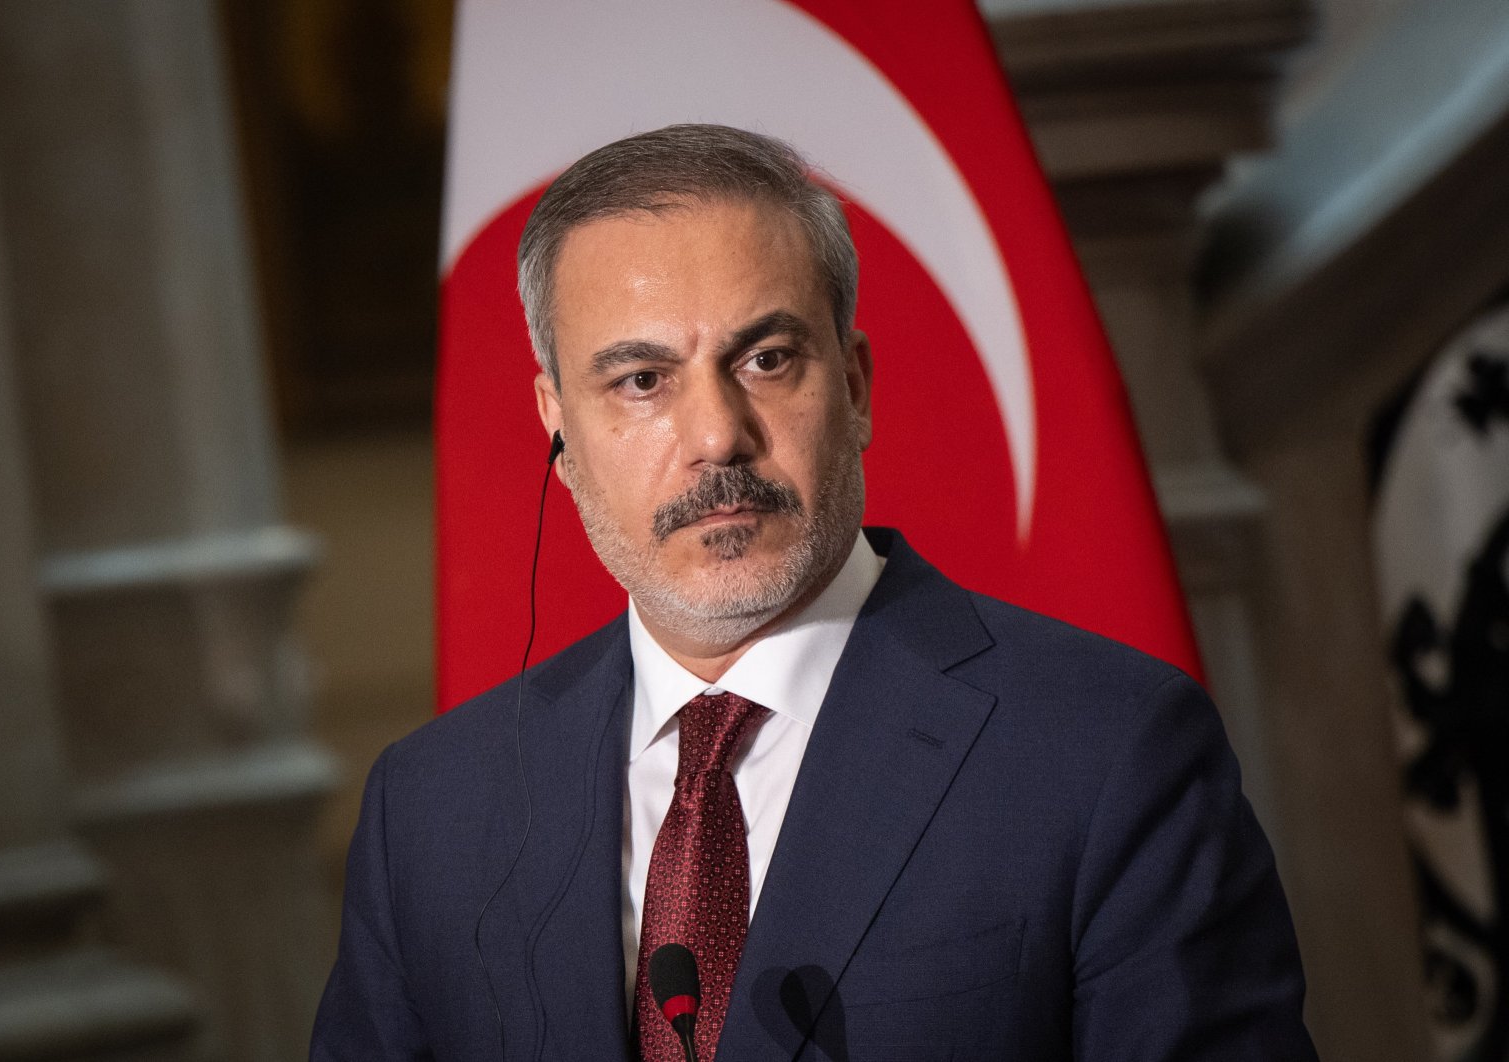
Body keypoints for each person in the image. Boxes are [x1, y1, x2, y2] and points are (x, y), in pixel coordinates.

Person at [311, 124, 1316, 1061]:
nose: (716, 435)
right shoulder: (431, 811)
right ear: (558, 430)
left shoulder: (1105, 754)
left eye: (765, 358)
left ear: (857, 386)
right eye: (641, 382)